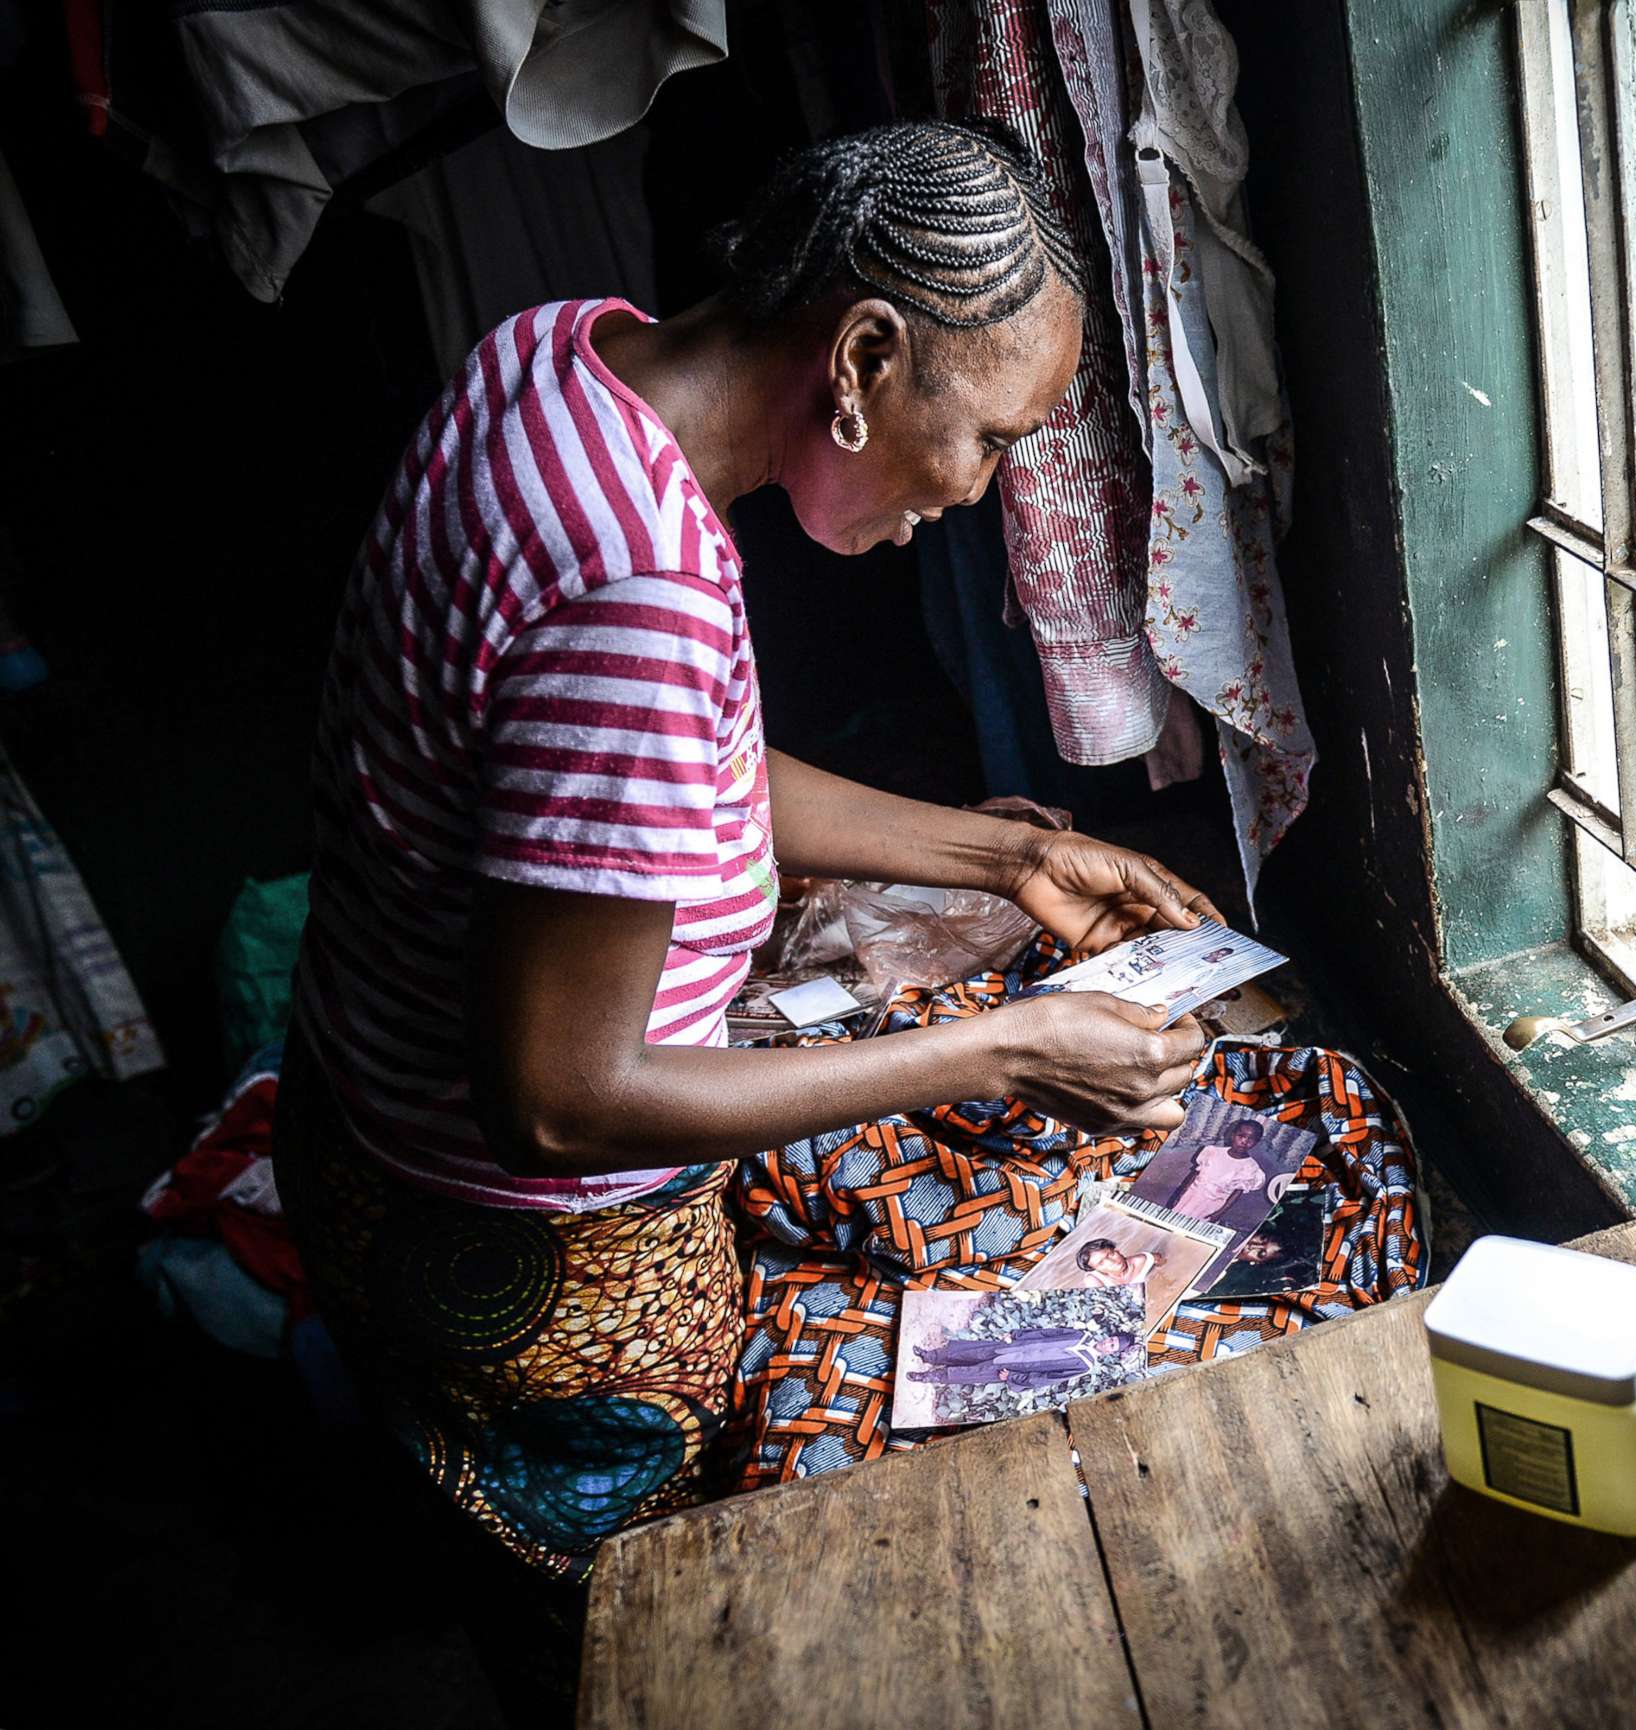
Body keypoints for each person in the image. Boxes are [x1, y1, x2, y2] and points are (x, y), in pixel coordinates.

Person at [272, 121, 1221, 1611]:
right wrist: (1007, 1043)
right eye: (986, 436)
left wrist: (1002, 851)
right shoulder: (638, 585)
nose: (977, 492)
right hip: (531, 1255)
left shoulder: (562, 359)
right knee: (637, 1633)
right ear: (858, 356)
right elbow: (560, 1095)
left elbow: (640, 784)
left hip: (356, 1110)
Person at [910, 1326, 1131, 1388]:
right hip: (1012, 1347)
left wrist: (1014, 1378)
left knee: (970, 1373)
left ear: (1111, 1353)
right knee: (968, 1352)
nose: (1108, 1343)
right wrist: (1016, 1335)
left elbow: (1045, 1378)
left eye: (1112, 1347)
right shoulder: (1079, 1334)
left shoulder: (1084, 1365)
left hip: (1014, 1367)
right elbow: (1045, 1333)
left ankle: (927, 1377)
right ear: (1109, 1336)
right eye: (1111, 1339)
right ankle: (929, 1356)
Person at [1075, 1236, 1158, 1287]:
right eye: (1101, 1263)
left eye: (1110, 1254)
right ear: (1096, 1269)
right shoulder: (1095, 1279)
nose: (1111, 1262)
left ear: (1117, 1251)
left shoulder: (1143, 1261)